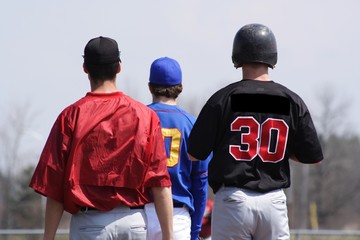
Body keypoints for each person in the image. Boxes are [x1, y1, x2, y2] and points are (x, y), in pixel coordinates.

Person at [187, 23, 324, 240]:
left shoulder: (223, 99)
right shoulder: (291, 101)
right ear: (272, 55)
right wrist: (275, 148)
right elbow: (313, 158)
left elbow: (194, 153)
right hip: (273, 203)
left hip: (234, 201)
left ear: (237, 54)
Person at [29, 36, 174, 240]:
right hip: (133, 223)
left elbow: (54, 186)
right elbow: (160, 182)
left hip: (89, 224)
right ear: (119, 68)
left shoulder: (70, 116)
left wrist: (48, 237)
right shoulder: (145, 116)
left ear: (85, 68)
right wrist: (169, 236)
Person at [145, 57, 210, 240]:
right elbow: (200, 184)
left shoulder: (138, 118)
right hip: (178, 217)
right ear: (180, 87)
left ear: (150, 86)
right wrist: (196, 231)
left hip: (142, 214)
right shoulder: (192, 124)